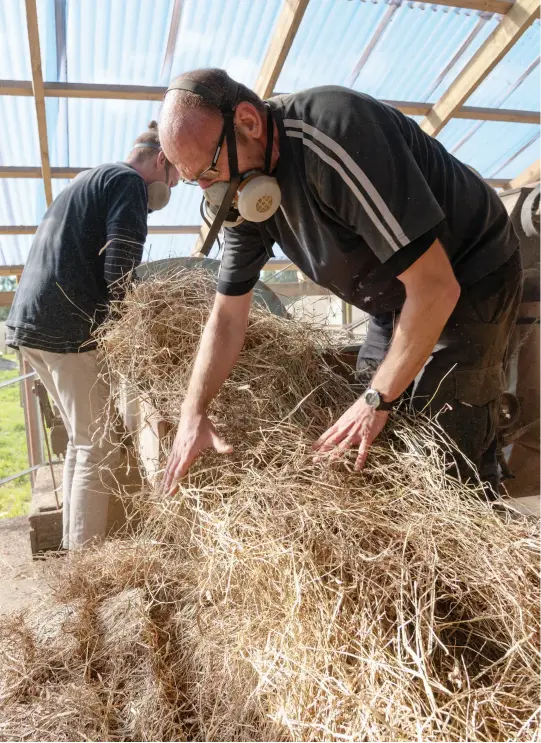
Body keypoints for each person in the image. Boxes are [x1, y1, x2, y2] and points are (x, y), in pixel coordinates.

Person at [158, 68, 522, 497]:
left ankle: (479, 509)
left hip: (470, 275)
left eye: (208, 168)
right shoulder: (243, 196)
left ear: (248, 122)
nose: (207, 188)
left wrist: (375, 401)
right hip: (397, 299)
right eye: (192, 179)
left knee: (444, 444)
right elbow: (227, 317)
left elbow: (437, 288)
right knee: (367, 444)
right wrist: (192, 412)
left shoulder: (334, 133)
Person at [6, 121, 179, 549]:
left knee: (83, 443)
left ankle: (71, 547)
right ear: (161, 159)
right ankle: (86, 563)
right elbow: (120, 266)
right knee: (100, 448)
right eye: (175, 177)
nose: (170, 189)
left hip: (33, 324)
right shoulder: (129, 185)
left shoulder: (91, 177)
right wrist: (136, 328)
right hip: (67, 328)